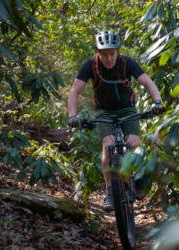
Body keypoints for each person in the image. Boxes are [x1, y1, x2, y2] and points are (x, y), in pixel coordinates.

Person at [67, 30, 165, 212]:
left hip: (127, 108)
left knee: (133, 142)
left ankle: (135, 178)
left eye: (112, 53)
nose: (109, 58)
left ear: (118, 52)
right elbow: (74, 91)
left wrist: (157, 102)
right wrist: (72, 116)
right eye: (104, 54)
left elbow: (148, 83)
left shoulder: (127, 63)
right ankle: (111, 192)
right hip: (104, 111)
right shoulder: (90, 66)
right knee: (107, 145)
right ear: (98, 53)